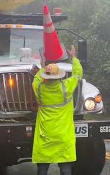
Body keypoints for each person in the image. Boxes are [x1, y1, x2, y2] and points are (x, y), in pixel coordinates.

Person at [32, 45, 83, 175]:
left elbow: (36, 80)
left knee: (42, 168)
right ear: (59, 76)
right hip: (63, 135)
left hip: (45, 135)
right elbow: (78, 74)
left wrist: (42, 67)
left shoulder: (39, 88)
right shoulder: (66, 87)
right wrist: (74, 57)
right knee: (65, 168)